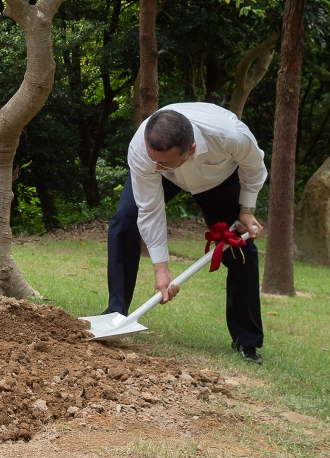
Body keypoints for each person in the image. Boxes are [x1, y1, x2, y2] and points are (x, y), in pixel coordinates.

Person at [106, 103, 267, 363]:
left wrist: (246, 209)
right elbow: (150, 209)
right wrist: (161, 269)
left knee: (240, 249)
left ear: (191, 149)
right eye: (153, 158)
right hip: (169, 178)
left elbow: (254, 166)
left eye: (162, 161)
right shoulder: (143, 150)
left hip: (218, 180)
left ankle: (246, 341)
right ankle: (115, 313)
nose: (155, 164)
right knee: (125, 221)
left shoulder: (231, 135)